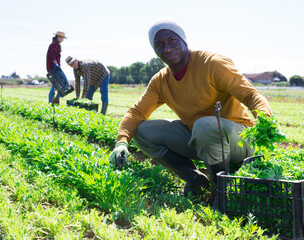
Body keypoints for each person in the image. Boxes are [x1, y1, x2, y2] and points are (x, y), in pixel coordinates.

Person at [109, 17, 272, 196]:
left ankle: (221, 189)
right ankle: (196, 179)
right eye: (159, 45)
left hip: (238, 140)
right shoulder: (161, 81)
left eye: (172, 40)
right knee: (142, 131)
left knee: (204, 125)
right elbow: (137, 112)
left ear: (183, 40)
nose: (167, 48)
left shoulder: (212, 63)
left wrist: (264, 123)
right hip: (202, 137)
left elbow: (250, 95)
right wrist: (122, 142)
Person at [46, 31, 69, 104]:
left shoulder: (54, 44)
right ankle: (56, 99)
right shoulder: (55, 45)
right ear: (58, 37)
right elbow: (53, 56)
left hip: (51, 68)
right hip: (54, 69)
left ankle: (50, 103)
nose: (63, 40)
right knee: (66, 85)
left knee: (54, 88)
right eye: (62, 38)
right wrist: (56, 65)